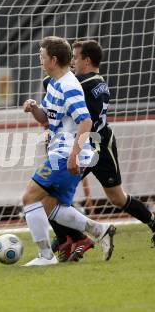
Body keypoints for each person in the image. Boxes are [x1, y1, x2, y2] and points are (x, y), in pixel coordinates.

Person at [45, 40, 155, 261]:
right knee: (53, 193)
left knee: (113, 197)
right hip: (94, 142)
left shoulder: (90, 83)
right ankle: (69, 237)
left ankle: (72, 238)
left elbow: (53, 81)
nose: (72, 62)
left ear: (87, 60)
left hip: (96, 146)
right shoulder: (90, 82)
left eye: (75, 58)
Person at [21, 36, 115, 267]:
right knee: (50, 206)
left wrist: (74, 155)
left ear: (53, 60)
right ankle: (99, 229)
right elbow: (47, 119)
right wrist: (34, 109)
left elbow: (85, 121)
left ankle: (45, 256)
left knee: (29, 198)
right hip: (61, 152)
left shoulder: (69, 85)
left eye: (42, 57)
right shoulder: (54, 83)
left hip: (65, 154)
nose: (40, 61)